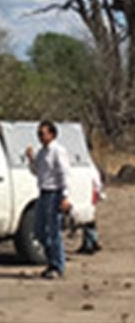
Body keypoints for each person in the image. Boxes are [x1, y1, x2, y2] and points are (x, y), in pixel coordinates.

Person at [25, 120, 72, 279]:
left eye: (42, 133)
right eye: (38, 134)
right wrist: (31, 160)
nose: (40, 137)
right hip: (43, 193)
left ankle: (57, 265)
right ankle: (52, 259)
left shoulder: (58, 151)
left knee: (53, 231)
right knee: (38, 231)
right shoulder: (42, 152)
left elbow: (64, 174)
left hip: (55, 193)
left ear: (52, 134)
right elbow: (37, 172)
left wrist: (65, 196)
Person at [78, 162, 105, 255]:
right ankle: (88, 243)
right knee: (87, 219)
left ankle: (93, 241)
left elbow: (96, 182)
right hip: (90, 193)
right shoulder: (90, 167)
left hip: (90, 194)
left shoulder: (89, 167)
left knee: (88, 219)